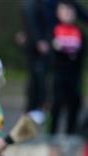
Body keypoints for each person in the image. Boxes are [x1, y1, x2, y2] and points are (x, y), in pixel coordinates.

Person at [49, 0, 85, 134]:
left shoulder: (79, 32)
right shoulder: (54, 31)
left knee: (74, 105)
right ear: (58, 13)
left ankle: (71, 133)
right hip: (58, 75)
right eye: (64, 10)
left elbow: (81, 54)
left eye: (70, 11)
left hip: (74, 76)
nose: (68, 13)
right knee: (56, 105)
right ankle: (51, 133)